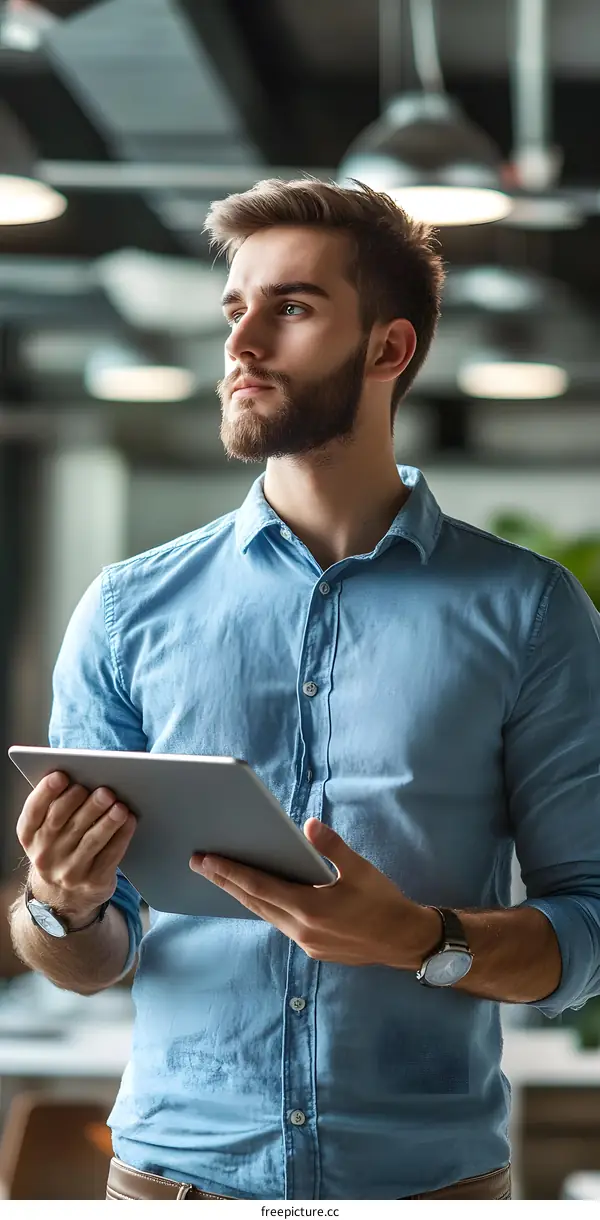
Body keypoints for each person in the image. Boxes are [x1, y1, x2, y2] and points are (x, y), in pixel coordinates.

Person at [8, 178, 600, 1202]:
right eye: (236, 309)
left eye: (291, 307)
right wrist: (60, 904)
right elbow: (89, 957)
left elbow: (587, 934)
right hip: (171, 1185)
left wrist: (417, 937)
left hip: (426, 1189)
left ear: (389, 348)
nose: (241, 343)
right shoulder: (125, 610)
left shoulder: (528, 609)